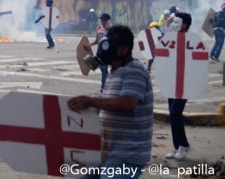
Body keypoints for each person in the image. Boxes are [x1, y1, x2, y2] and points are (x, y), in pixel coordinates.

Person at [68, 25, 154, 179]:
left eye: (108, 44)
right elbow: (105, 103)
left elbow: (127, 103)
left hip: (127, 155)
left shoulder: (134, 70)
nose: (104, 48)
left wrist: (91, 101)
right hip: (108, 151)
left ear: (123, 49)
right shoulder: (114, 72)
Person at [165, 11, 192, 160]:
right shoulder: (171, 39)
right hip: (171, 82)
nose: (172, 25)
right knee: (173, 114)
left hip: (185, 83)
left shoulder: (191, 41)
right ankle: (177, 147)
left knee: (175, 112)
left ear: (185, 25)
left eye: (176, 22)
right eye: (172, 22)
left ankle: (184, 145)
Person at [89, 13, 111, 92]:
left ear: (108, 21)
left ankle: (105, 87)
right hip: (100, 54)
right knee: (104, 71)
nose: (102, 22)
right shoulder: (99, 29)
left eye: (104, 20)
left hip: (109, 54)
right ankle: (105, 87)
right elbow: (96, 41)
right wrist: (89, 45)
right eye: (101, 20)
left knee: (107, 71)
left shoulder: (112, 30)